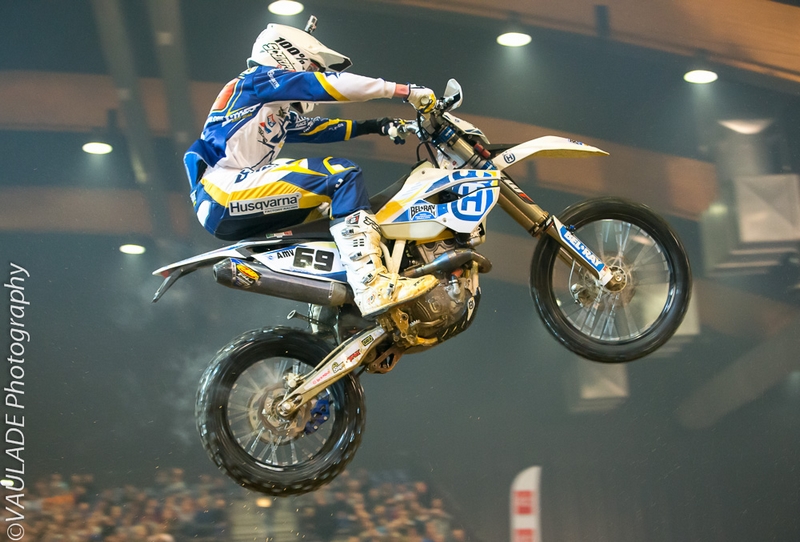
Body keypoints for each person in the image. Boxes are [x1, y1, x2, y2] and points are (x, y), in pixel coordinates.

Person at [184, 19, 438, 316]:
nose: (317, 73)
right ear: (288, 55)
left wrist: (377, 126)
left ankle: (335, 311)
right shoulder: (258, 79)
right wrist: (403, 91)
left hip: (228, 197)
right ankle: (371, 286)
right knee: (341, 175)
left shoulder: (270, 107)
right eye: (314, 67)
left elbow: (318, 128)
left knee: (332, 210)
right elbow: (327, 86)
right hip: (223, 190)